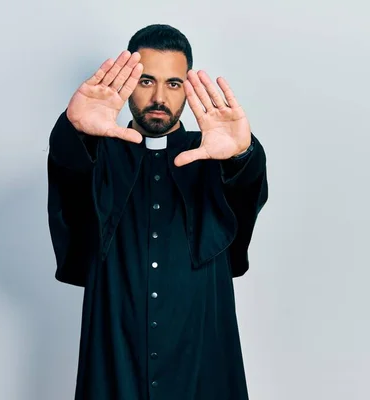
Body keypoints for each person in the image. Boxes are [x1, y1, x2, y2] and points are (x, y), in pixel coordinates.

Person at [47, 23, 268, 400]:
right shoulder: (99, 152)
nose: (159, 97)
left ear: (187, 87)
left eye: (173, 83)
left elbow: (246, 201)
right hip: (117, 350)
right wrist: (75, 133)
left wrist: (241, 155)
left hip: (200, 350)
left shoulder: (212, 151)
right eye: (146, 81)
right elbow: (71, 205)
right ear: (128, 82)